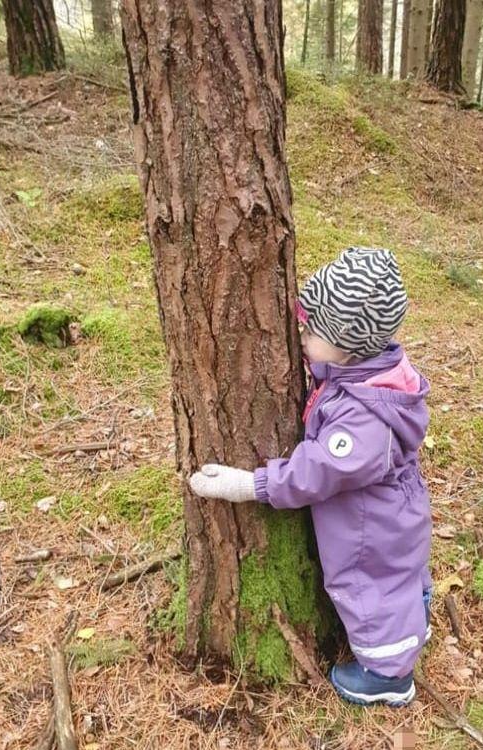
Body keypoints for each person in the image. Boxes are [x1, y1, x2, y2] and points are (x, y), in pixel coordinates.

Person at [190, 247, 432, 707]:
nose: (300, 333)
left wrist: (252, 484)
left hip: (370, 529)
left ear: (349, 344)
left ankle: (388, 675)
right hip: (388, 515)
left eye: (313, 329)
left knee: (368, 588)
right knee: (395, 584)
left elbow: (318, 469)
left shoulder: (365, 420)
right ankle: (410, 624)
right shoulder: (362, 374)